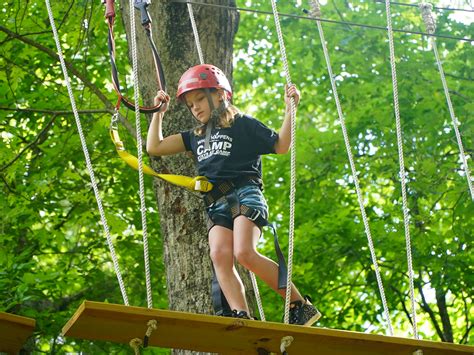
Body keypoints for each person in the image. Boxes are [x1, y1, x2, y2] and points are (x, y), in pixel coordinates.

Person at [147, 64, 321, 326]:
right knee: (219, 255)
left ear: (219, 95)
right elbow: (155, 147)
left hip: (245, 193)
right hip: (216, 203)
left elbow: (281, 145)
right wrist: (158, 113)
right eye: (190, 105)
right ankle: (242, 315)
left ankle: (300, 305)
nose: (195, 108)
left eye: (199, 100)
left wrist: (290, 111)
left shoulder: (242, 123)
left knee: (244, 252)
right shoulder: (194, 136)